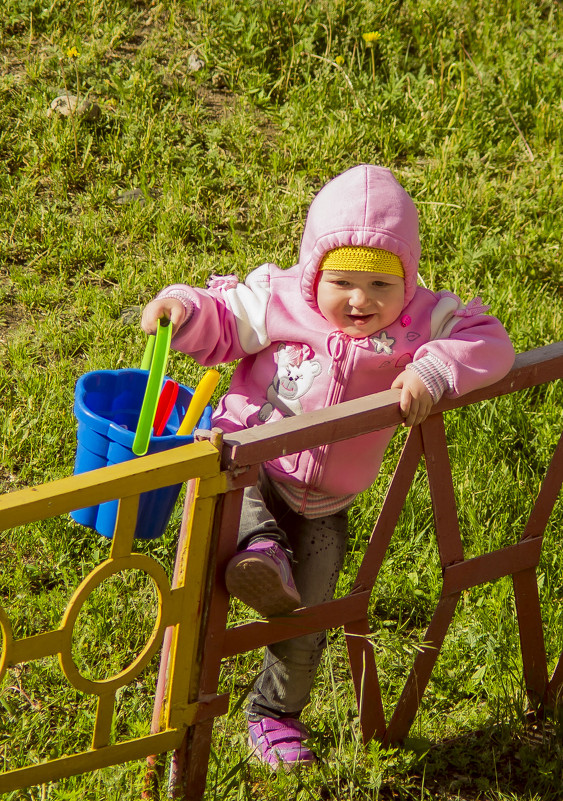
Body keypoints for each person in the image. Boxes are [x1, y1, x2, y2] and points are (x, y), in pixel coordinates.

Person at [141, 164, 515, 770]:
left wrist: (431, 369)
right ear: (316, 271)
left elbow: (491, 342)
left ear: (409, 283)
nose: (361, 300)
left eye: (381, 285)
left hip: (327, 501)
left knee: (308, 617)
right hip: (252, 462)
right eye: (342, 281)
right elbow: (222, 317)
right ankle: (259, 555)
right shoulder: (282, 298)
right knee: (236, 497)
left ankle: (274, 714)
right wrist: (181, 310)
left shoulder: (423, 321)